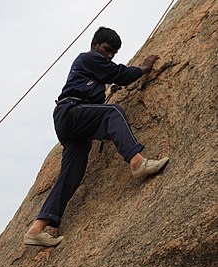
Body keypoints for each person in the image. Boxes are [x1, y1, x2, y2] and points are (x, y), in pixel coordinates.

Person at [24, 27, 169, 247]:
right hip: (71, 110)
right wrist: (142, 69)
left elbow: (106, 79)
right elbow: (118, 73)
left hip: (73, 123)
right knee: (113, 112)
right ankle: (137, 161)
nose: (109, 55)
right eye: (107, 49)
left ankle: (36, 229)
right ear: (95, 45)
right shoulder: (88, 58)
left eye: (113, 53)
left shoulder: (92, 69)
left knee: (71, 173)